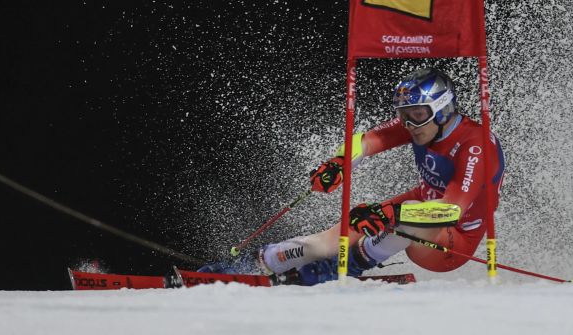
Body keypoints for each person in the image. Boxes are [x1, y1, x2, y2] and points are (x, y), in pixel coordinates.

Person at [199, 68, 505, 285]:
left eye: (417, 114)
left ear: (441, 109)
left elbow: (451, 209)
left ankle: (346, 267)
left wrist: (387, 213)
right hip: (419, 204)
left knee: (399, 221)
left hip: (452, 239)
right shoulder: (421, 123)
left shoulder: (475, 144)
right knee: (326, 243)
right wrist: (339, 163)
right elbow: (367, 140)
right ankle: (252, 264)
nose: (409, 124)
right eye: (404, 115)